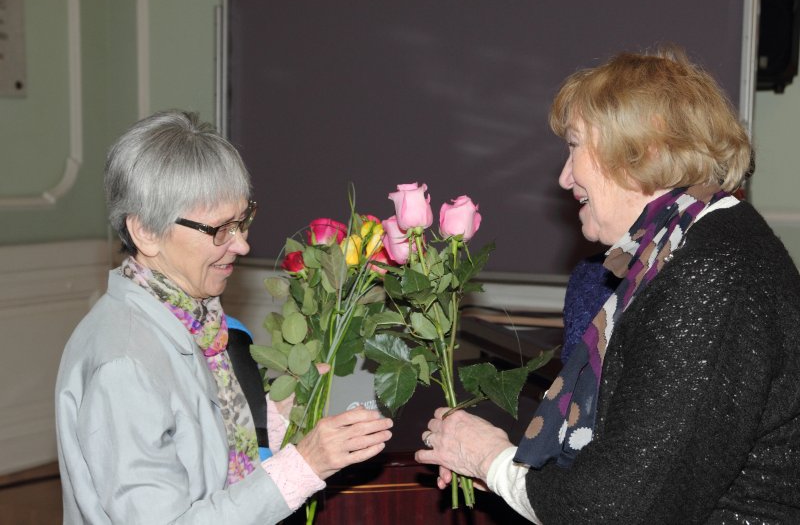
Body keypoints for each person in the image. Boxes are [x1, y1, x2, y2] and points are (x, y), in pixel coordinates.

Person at [416, 47, 800, 523]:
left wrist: (490, 459)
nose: (563, 177)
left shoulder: (710, 271)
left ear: (645, 150)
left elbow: (617, 511)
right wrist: (505, 474)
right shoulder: (686, 249)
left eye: (574, 145)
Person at [55, 110, 393, 524]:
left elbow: (197, 444)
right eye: (220, 230)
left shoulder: (193, 319)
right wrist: (304, 466)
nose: (243, 245)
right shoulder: (124, 363)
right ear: (145, 231)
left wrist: (277, 412)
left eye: (242, 221)